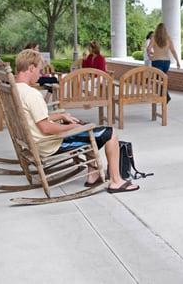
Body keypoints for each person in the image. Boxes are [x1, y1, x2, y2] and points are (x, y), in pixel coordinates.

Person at [14, 49, 139, 193]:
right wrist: (71, 127)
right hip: (50, 145)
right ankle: (116, 181)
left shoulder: (15, 90)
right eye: (39, 70)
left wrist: (61, 117)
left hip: (36, 142)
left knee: (82, 128)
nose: (40, 74)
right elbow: (45, 128)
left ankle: (93, 173)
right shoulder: (31, 94)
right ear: (31, 68)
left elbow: (32, 119)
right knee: (109, 133)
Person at [149, 23, 181, 103]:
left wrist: (150, 56)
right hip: (166, 62)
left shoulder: (154, 38)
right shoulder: (168, 38)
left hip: (156, 61)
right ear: (165, 30)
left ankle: (166, 97)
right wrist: (177, 61)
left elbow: (148, 48)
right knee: (161, 79)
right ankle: (164, 97)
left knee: (159, 80)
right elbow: (173, 51)